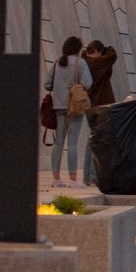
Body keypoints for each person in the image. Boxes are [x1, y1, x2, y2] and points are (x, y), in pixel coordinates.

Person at [45, 35, 93, 185]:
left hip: (58, 106)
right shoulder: (81, 63)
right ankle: (73, 179)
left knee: (58, 142)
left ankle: (56, 178)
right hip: (75, 107)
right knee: (72, 142)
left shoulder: (57, 63)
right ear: (78, 49)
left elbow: (47, 84)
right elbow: (88, 83)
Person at [81, 40, 119, 183]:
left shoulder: (84, 63)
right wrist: (109, 47)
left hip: (89, 105)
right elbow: (112, 56)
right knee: (96, 141)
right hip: (101, 106)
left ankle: (88, 176)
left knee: (92, 139)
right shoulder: (98, 64)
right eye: (100, 52)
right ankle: (92, 176)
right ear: (97, 51)